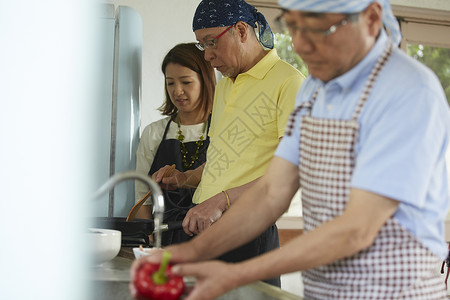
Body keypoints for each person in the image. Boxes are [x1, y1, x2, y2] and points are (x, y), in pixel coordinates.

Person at [131, 0, 450, 299]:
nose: (299, 44)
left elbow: (357, 229)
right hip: (326, 287)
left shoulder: (408, 93)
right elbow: (272, 190)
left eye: (317, 30)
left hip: (394, 290)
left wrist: (238, 273)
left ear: (371, 18)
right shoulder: (316, 90)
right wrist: (185, 254)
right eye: (293, 26)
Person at [151, 0, 305, 287]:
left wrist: (222, 201)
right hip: (204, 230)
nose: (207, 56)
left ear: (242, 31)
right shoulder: (225, 85)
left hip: (248, 233)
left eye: (212, 43)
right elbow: (223, 160)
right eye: (202, 45)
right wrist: (185, 179)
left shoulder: (290, 83)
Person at [134, 42, 216, 246]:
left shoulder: (223, 129)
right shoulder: (154, 132)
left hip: (214, 238)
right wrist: (149, 240)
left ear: (204, 80)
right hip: (165, 238)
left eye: (186, 82)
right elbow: (142, 196)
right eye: (170, 83)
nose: (177, 91)